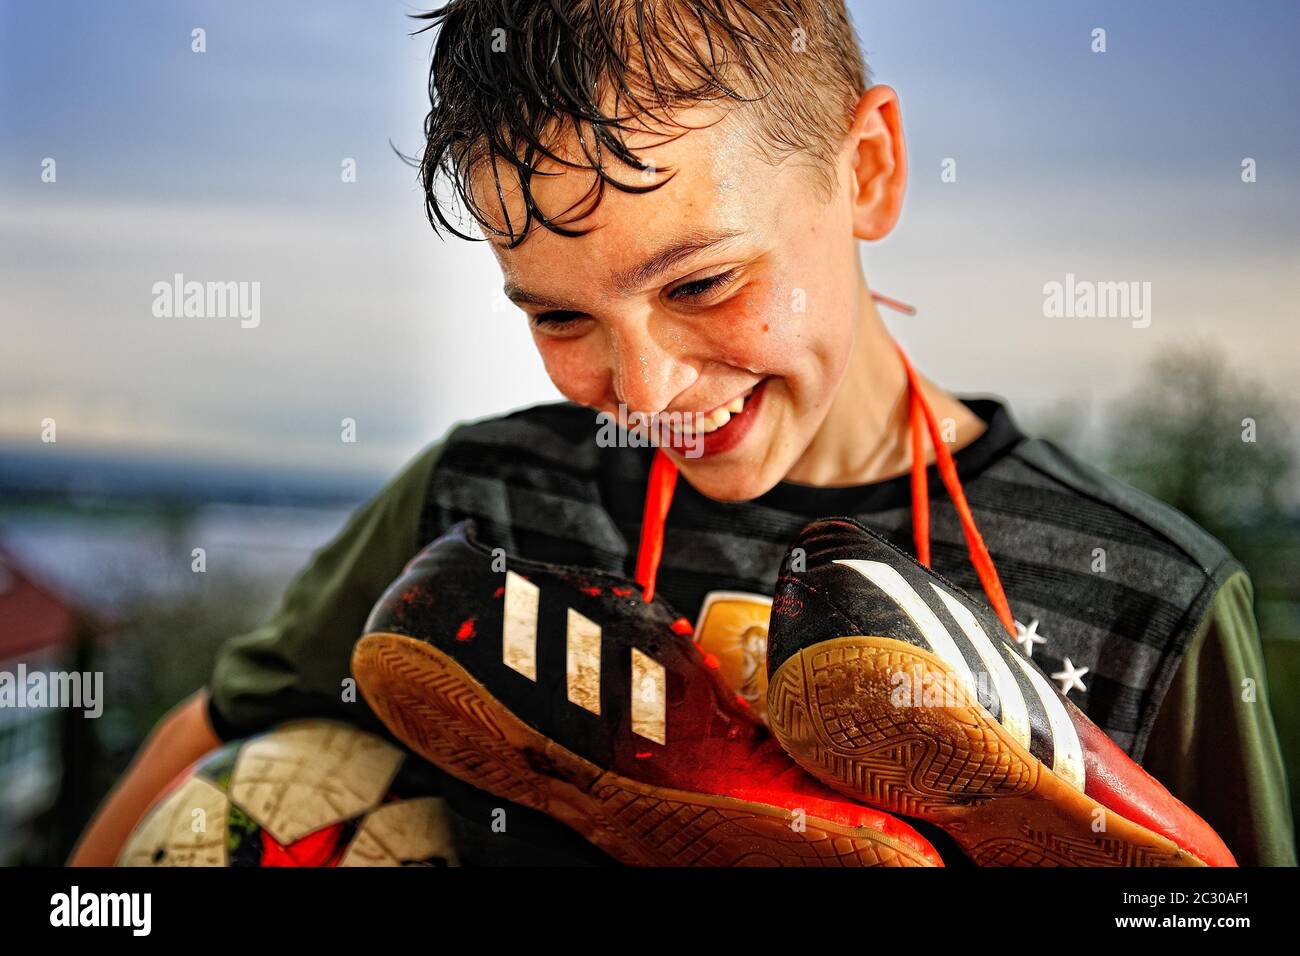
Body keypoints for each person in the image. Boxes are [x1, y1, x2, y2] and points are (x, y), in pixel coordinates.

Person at [71, 0, 1294, 867]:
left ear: (866, 168)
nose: (643, 381)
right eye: (557, 312)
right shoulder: (479, 501)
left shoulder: (1150, 596)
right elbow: (214, 734)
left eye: (702, 282)